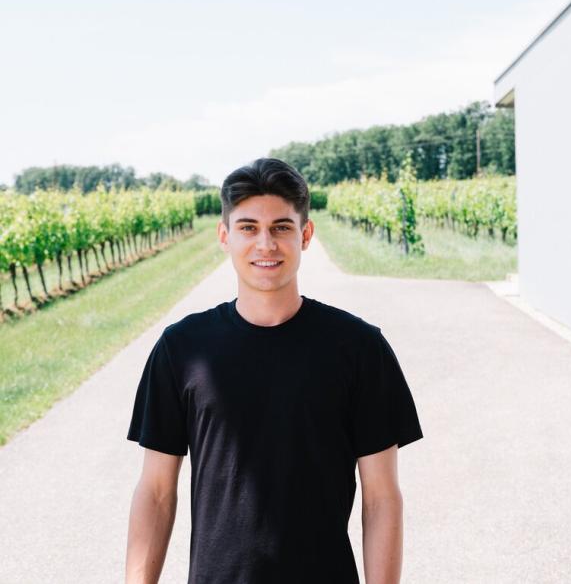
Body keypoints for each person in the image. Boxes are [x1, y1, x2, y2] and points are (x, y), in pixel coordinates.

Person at [125, 157, 423, 584]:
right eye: (248, 227)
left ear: (306, 235)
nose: (265, 243)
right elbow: (155, 493)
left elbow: (381, 499)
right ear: (224, 236)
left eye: (281, 227)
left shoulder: (359, 348)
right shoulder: (182, 349)